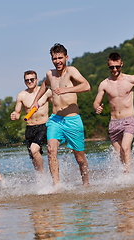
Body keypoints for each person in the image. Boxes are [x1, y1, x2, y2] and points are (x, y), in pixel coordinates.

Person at [31, 43, 91, 189]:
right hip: (55, 119)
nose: (57, 61)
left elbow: (86, 86)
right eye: (54, 58)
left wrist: (66, 90)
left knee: (80, 158)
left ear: (66, 57)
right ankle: (56, 186)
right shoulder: (50, 74)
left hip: (72, 119)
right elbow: (44, 85)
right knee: (51, 150)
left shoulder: (71, 71)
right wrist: (35, 101)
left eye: (60, 58)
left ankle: (86, 184)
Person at [93, 52, 134, 173]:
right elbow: (96, 102)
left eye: (117, 66)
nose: (115, 69)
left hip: (129, 120)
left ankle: (129, 179)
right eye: (112, 67)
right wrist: (97, 107)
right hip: (114, 123)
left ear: (121, 64)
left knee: (126, 148)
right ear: (108, 66)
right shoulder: (104, 84)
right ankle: (127, 177)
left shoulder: (131, 79)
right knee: (119, 156)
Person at [10, 70, 52, 174]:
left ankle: (43, 175)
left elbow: (57, 105)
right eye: (27, 80)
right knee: (34, 158)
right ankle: (41, 176)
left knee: (34, 149)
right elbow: (18, 112)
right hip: (30, 128)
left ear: (37, 80)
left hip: (44, 126)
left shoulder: (46, 92)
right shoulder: (21, 95)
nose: (29, 82)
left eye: (32, 79)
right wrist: (15, 115)